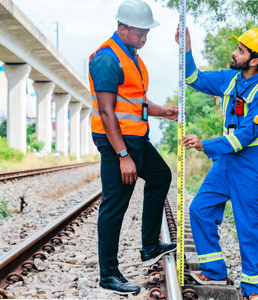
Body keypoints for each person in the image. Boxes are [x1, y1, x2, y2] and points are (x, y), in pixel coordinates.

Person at [176, 26, 258, 300]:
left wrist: (204, 144)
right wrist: (186, 48)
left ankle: (255, 290)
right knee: (200, 208)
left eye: (241, 51)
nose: (234, 53)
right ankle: (214, 271)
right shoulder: (230, 79)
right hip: (226, 162)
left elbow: (246, 135)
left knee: (250, 226)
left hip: (252, 165)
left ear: (256, 60)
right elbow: (193, 78)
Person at [89, 0, 178, 295]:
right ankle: (108, 275)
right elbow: (107, 111)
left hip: (136, 137)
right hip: (118, 142)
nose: (144, 38)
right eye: (140, 33)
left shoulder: (133, 57)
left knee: (161, 176)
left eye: (147, 33)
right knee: (115, 205)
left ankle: (149, 245)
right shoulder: (106, 58)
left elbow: (136, 101)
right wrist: (123, 156)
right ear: (122, 27)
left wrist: (163, 111)